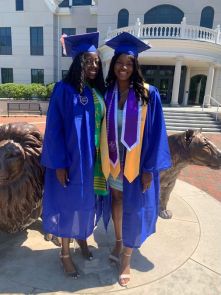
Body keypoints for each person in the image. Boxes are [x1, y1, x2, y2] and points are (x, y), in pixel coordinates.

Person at [102, 32, 172, 287]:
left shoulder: (147, 94)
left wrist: (148, 170)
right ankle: (119, 242)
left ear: (135, 66)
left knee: (134, 208)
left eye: (129, 63)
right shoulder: (108, 93)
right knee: (117, 200)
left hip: (136, 164)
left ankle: (127, 258)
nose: (124, 67)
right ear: (114, 65)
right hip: (113, 162)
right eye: (120, 62)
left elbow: (156, 133)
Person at [41, 32, 108, 278]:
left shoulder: (98, 91)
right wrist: (59, 163)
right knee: (68, 205)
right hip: (71, 161)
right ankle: (65, 254)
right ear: (78, 61)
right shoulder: (64, 90)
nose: (93, 65)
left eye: (97, 61)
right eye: (88, 60)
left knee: (86, 203)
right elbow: (54, 129)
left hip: (94, 163)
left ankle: (81, 238)